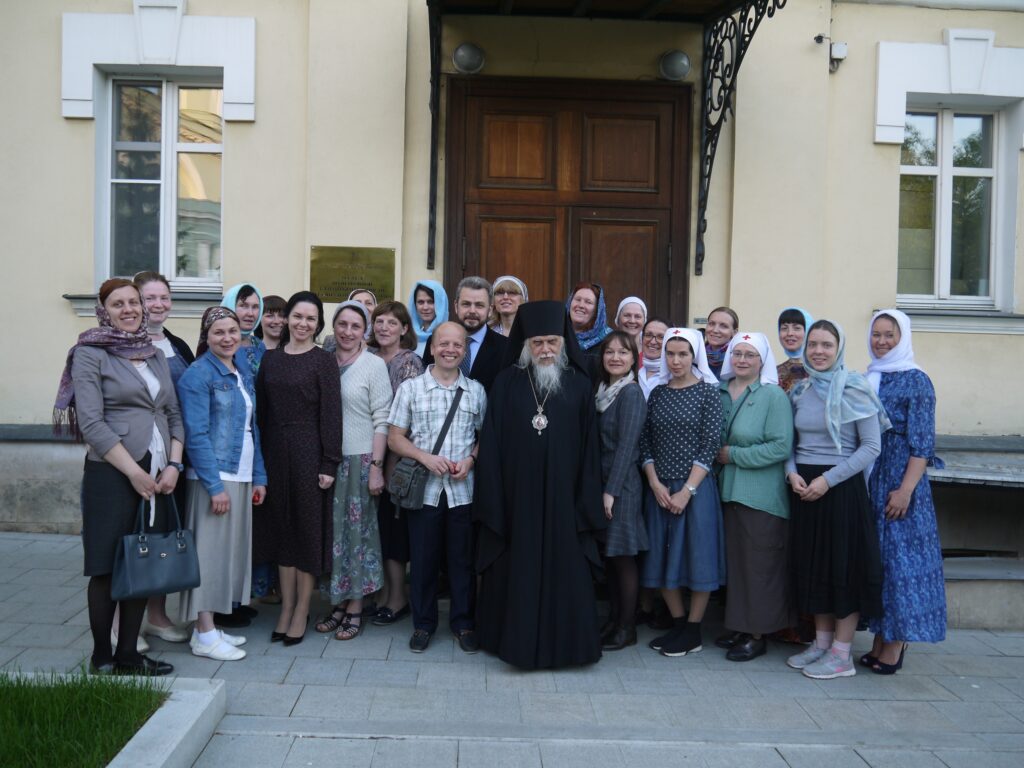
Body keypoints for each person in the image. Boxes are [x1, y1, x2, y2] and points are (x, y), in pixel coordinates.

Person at [55, 278, 182, 676]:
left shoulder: (154, 353)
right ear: (103, 310)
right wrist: (134, 472)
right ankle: (102, 656)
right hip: (111, 474)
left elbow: (174, 414)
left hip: (159, 475)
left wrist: (174, 465)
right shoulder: (89, 353)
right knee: (107, 566)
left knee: (140, 564)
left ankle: (130, 655)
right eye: (118, 304)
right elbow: (91, 423)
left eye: (133, 302)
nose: (128, 309)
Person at [474, 300, 606, 669]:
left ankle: (568, 647)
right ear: (526, 346)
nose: (545, 350)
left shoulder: (580, 385)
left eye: (552, 342)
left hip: (565, 500)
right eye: (537, 344)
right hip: (517, 498)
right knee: (515, 564)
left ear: (564, 342)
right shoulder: (506, 382)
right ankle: (509, 639)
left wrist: (585, 497)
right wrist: (496, 494)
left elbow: (589, 448)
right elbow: (493, 444)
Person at [784, 319, 888, 680]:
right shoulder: (800, 390)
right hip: (805, 489)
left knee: (843, 569)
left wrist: (828, 480)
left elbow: (871, 447)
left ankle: (842, 655)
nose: (818, 351)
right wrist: (791, 472)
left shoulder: (855, 388)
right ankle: (822, 643)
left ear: (839, 348)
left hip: (841, 491)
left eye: (827, 345)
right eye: (813, 344)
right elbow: (790, 444)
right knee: (816, 568)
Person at [388, 322, 486, 653]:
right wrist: (425, 458)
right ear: (432, 348)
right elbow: (395, 437)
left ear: (464, 350)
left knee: (461, 562)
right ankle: (424, 624)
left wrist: (471, 461)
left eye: (457, 345)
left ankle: (463, 623)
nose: (450, 350)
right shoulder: (411, 389)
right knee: (424, 560)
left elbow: (483, 439)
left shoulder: (476, 391)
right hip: (424, 491)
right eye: (444, 343)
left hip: (463, 491)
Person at [176, 307, 267, 661]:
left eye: (233, 331)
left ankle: (211, 625)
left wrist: (259, 475)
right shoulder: (198, 375)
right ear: (206, 337)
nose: (227, 338)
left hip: (241, 472)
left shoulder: (240, 370)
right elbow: (196, 435)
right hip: (214, 476)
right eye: (219, 333)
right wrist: (214, 486)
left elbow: (252, 428)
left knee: (227, 555)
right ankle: (202, 633)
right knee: (209, 556)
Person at [862, 309, 946, 674]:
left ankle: (895, 644)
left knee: (900, 566)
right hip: (874, 476)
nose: (881, 341)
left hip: (900, 481)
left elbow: (922, 445)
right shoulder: (871, 375)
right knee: (878, 561)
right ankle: (881, 636)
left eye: (889, 335)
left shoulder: (917, 380)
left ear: (903, 338)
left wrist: (905, 490)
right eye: (876, 334)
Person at [256, 291, 342, 645]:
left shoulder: (323, 361)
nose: (303, 323)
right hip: (276, 451)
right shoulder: (271, 360)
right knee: (282, 533)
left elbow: (331, 414)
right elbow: (261, 412)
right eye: (297, 316)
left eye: (311, 318)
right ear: (287, 318)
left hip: (310, 452)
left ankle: (302, 609)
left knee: (306, 534)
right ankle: (286, 608)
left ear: (318, 324)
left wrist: (329, 462)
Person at [640, 328, 725, 658]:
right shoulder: (658, 393)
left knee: (697, 557)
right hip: (660, 489)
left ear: (695, 356)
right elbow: (644, 440)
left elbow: (709, 446)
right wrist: (654, 482)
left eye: (683, 354)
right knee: (661, 557)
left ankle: (693, 629)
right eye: (670, 354)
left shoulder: (708, 394)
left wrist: (687, 491)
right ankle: (678, 624)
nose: (675, 360)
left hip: (695, 490)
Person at [713, 332, 795, 662]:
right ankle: (740, 625)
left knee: (759, 564)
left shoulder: (773, 396)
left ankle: (757, 633)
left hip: (760, 494)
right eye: (737, 353)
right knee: (737, 564)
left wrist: (734, 456)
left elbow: (780, 447)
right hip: (726, 491)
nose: (742, 360)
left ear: (762, 361)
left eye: (750, 355)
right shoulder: (720, 392)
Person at [316, 301, 390, 641]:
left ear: (366, 331)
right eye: (342, 324)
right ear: (333, 327)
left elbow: (382, 419)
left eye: (355, 326)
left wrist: (376, 468)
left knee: (358, 538)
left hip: (360, 461)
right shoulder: (322, 360)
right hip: (327, 462)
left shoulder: (373, 366)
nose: (347, 332)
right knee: (334, 537)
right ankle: (339, 602)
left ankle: (357, 604)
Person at [132, 271, 194, 646]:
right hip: (137, 456)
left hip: (174, 454)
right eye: (148, 298)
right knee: (131, 538)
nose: (157, 305)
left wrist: (177, 460)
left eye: (163, 298)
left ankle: (156, 615)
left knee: (164, 538)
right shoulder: (121, 343)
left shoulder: (177, 345)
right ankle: (121, 623)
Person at [367, 300, 424, 626]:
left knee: (394, 526)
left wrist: (386, 462)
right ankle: (384, 592)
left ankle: (398, 596)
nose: (384, 328)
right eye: (379, 322)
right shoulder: (371, 357)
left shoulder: (408, 362)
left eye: (392, 323)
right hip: (369, 449)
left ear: (404, 329)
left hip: (397, 455)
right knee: (378, 528)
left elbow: (403, 417)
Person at [594, 331, 648, 651]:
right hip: (605, 485)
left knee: (624, 558)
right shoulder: (603, 391)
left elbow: (627, 448)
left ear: (633, 359)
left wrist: (610, 491)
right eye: (610, 352)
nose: (615, 357)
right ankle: (614, 620)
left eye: (623, 353)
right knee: (611, 559)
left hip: (622, 488)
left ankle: (627, 627)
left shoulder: (629, 394)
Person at [423, 276, 508, 393]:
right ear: (456, 306)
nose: (472, 311)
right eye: (466, 304)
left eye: (479, 305)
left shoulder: (506, 348)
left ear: (490, 310)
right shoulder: (435, 341)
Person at [222, 283, 265, 380]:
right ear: (230, 306)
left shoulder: (259, 345)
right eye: (244, 306)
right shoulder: (220, 345)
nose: (250, 313)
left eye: (255, 307)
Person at [566, 282, 613, 357]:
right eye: (578, 299)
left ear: (597, 311)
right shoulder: (557, 335)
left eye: (588, 302)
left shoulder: (609, 341)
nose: (581, 305)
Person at [408, 279, 449, 358]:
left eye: (431, 302)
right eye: (421, 302)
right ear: (415, 305)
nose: (425, 307)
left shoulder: (450, 336)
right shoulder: (408, 336)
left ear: (441, 305)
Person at [776, 307, 813, 393]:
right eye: (784, 328)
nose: (790, 333)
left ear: (808, 331)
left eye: (797, 328)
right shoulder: (773, 373)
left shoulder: (819, 371)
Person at [637, 317, 669, 400]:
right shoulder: (631, 370)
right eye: (648, 335)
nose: (653, 341)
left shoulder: (675, 376)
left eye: (661, 337)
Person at [704, 306, 739, 379]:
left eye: (724, 326)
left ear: (734, 332)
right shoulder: (696, 357)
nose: (715, 330)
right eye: (712, 324)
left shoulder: (738, 361)